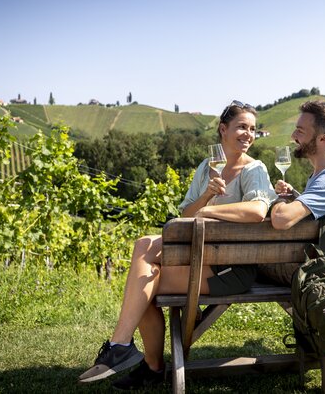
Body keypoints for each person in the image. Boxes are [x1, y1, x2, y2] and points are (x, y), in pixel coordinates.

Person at [78, 101, 276, 389]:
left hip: (232, 269)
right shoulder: (207, 168)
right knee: (143, 261)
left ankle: (143, 361)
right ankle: (126, 348)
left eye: (253, 129)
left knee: (143, 282)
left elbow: (258, 211)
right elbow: (186, 214)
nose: (248, 134)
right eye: (242, 127)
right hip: (202, 259)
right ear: (223, 130)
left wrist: (209, 211)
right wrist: (206, 196)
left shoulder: (254, 169)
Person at [260, 100, 325, 285]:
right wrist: (295, 196)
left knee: (239, 262)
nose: (293, 136)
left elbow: (281, 219)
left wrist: (275, 198)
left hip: (310, 272)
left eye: (300, 131)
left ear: (323, 139)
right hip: (310, 263)